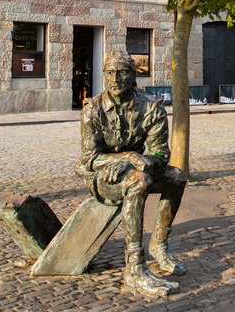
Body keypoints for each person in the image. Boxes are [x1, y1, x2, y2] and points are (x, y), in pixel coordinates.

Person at [76, 49, 187, 297]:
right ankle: (135, 267)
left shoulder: (150, 107)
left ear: (133, 76)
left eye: (122, 73)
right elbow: (89, 158)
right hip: (102, 177)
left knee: (177, 177)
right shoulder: (93, 109)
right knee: (138, 181)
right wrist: (126, 158)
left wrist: (136, 163)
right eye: (110, 73)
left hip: (137, 168)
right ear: (104, 76)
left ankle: (159, 244)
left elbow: (160, 154)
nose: (115, 79)